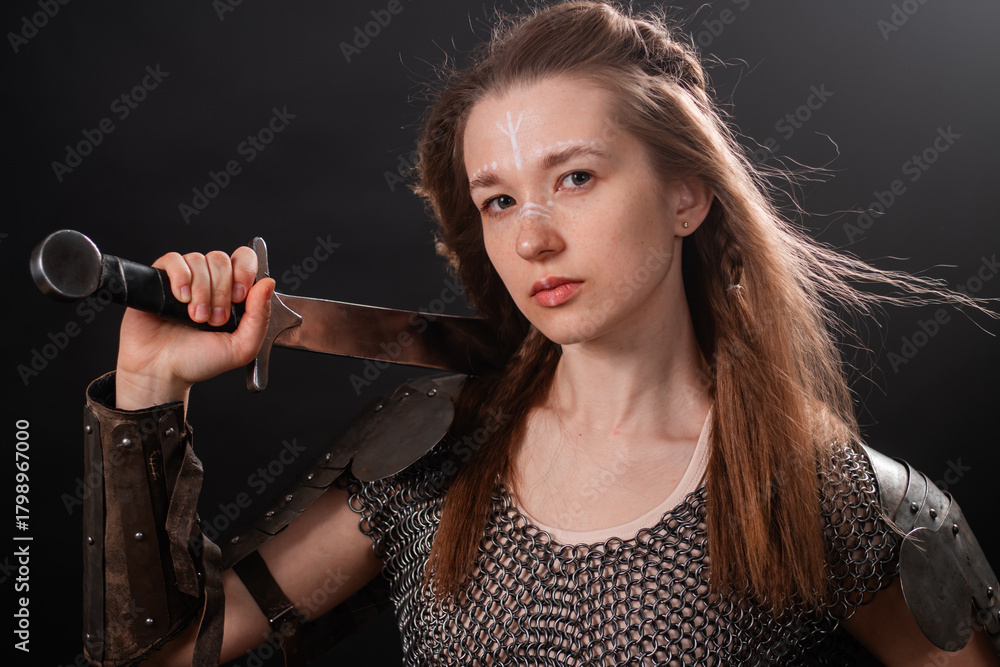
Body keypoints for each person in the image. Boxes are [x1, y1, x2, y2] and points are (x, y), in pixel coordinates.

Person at [81, 2, 999, 665]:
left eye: (576, 178)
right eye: (498, 200)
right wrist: (148, 386)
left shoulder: (818, 488)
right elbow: (165, 655)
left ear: (686, 195)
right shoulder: (431, 450)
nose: (532, 239)